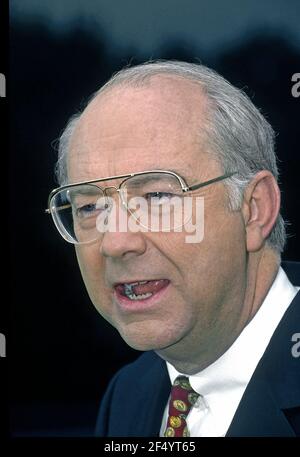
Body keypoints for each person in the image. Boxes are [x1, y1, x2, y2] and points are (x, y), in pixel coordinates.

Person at [46, 60, 300, 437]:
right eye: (90, 207)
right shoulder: (128, 396)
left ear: (254, 210)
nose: (116, 242)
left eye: (158, 196)